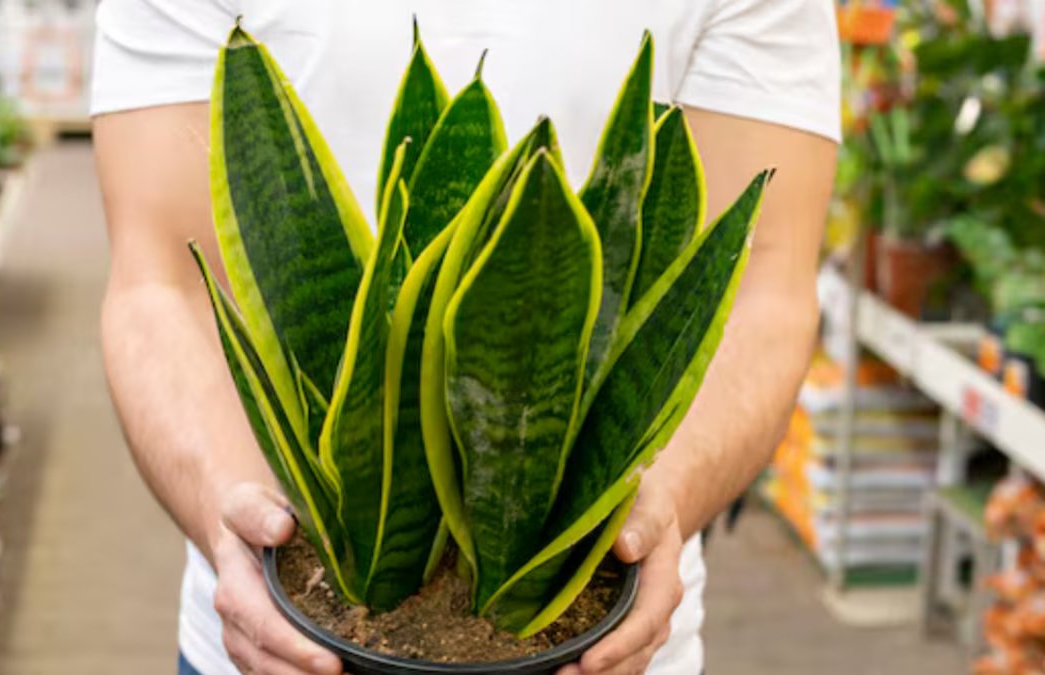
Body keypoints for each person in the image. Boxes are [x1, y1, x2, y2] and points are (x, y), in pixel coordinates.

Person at [91, 1, 839, 674]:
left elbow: (764, 283)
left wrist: (655, 505)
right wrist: (234, 516)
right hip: (282, 636)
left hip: (600, 645)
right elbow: (160, 281)